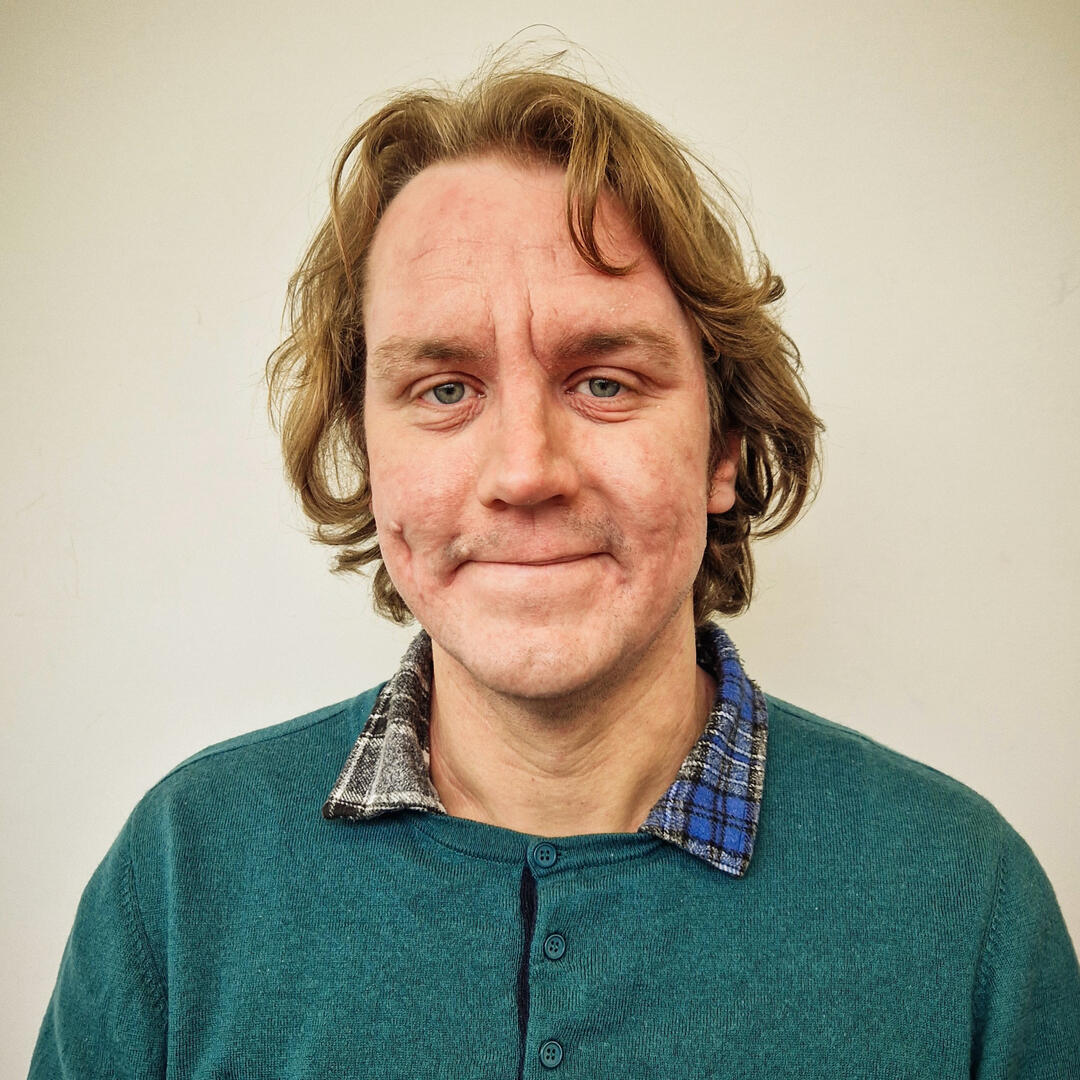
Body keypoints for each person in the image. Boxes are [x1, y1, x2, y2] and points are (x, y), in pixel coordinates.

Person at [30, 58, 1079, 1078]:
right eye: (445, 389)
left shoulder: (963, 902)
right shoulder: (181, 880)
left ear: (724, 448)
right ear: (368, 453)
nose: (525, 472)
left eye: (605, 383)